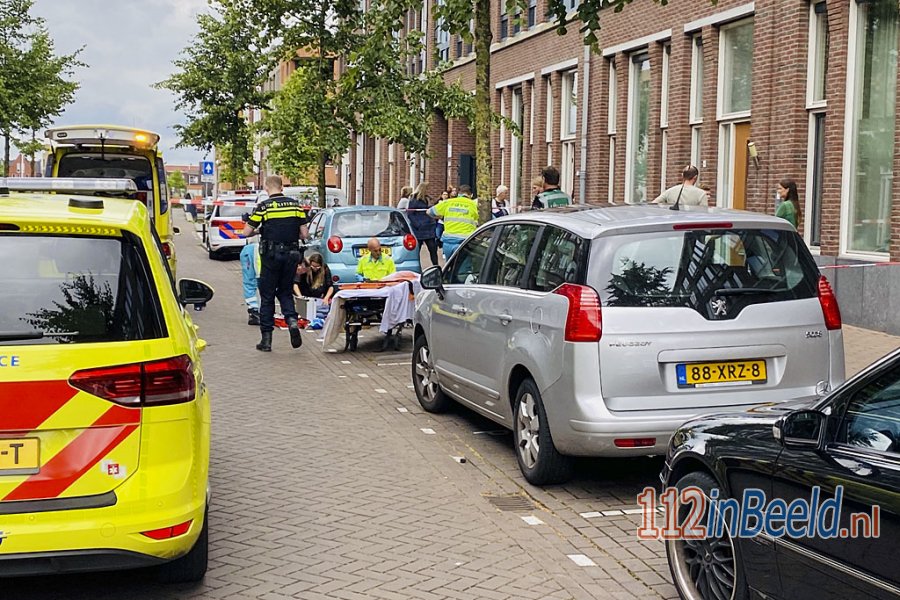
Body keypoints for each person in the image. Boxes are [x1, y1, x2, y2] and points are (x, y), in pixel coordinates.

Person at [242, 175, 310, 352]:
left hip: (271, 256)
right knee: (286, 292)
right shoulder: (296, 206)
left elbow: (246, 232)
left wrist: (261, 230)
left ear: (266, 188)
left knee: (267, 296)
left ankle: (266, 340)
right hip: (291, 255)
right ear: (282, 187)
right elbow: (305, 234)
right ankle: (292, 322)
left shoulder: (264, 207)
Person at [428, 184, 478, 261]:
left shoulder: (448, 202)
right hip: (464, 242)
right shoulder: (473, 205)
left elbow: (429, 212)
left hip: (448, 241)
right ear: (471, 195)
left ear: (458, 194)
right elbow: (476, 219)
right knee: (462, 269)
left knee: (449, 267)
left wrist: (442, 217)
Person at [407, 182, 440, 267]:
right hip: (419, 230)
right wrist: (418, 224)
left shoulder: (429, 199)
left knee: (433, 249)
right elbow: (410, 214)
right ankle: (416, 267)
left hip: (429, 228)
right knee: (417, 251)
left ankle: (436, 266)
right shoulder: (414, 200)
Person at [240, 240, 261, 326]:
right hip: (261, 249)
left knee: (249, 283)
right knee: (264, 282)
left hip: (251, 249)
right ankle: (261, 312)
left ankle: (254, 312)